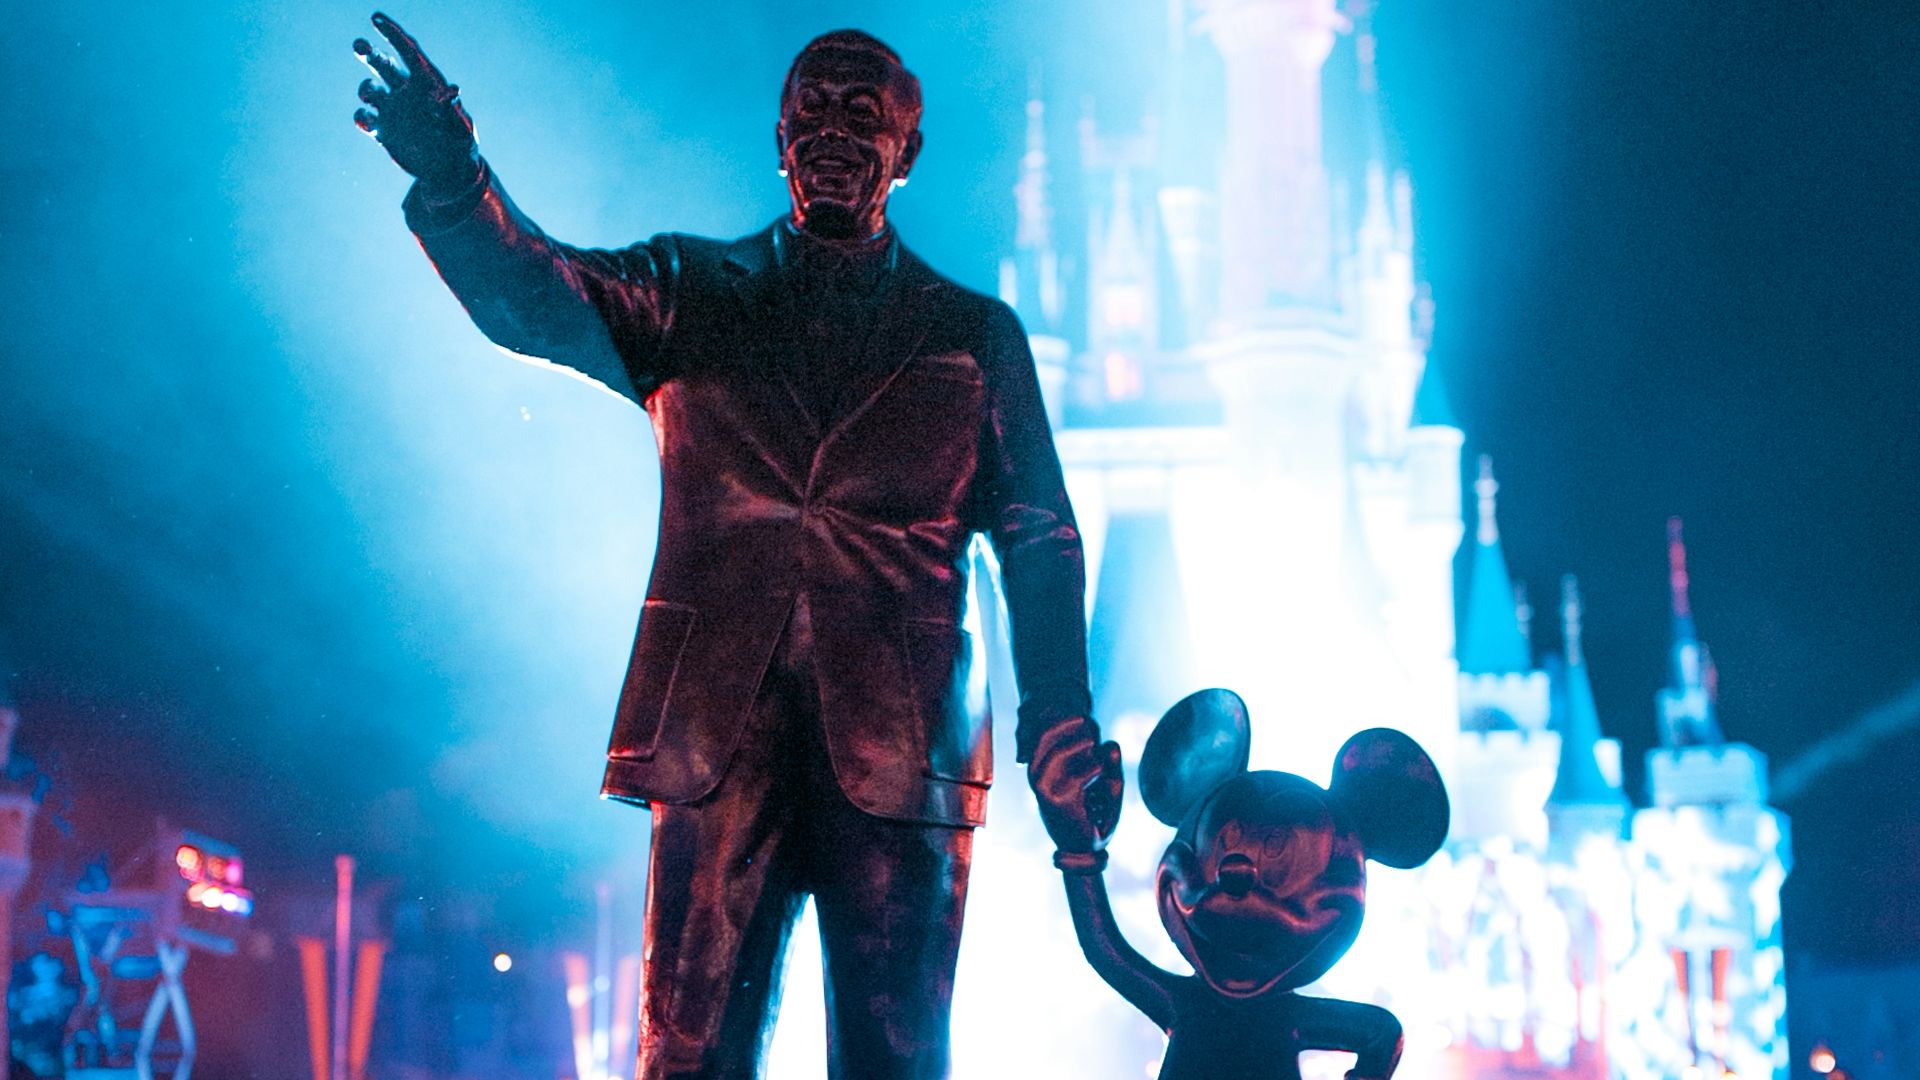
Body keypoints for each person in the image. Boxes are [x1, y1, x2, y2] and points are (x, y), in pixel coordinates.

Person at [351, 14, 1123, 1078]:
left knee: (897, 1060)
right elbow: (541, 293)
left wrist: (1061, 720)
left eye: (866, 114)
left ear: (909, 151)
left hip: (905, 753)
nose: (835, 135)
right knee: (687, 1055)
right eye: (812, 110)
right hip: (717, 736)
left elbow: (1040, 540)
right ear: (777, 136)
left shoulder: (972, 337)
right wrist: (455, 180)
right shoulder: (689, 291)